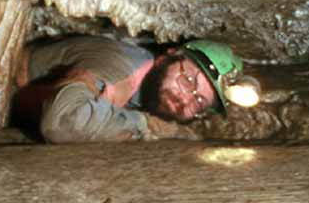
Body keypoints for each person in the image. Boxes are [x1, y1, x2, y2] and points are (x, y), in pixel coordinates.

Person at [13, 35, 252, 143]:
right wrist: (143, 124)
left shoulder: (150, 94)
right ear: (168, 56)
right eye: (189, 80)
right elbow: (62, 125)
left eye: (199, 101)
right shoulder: (122, 68)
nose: (185, 98)